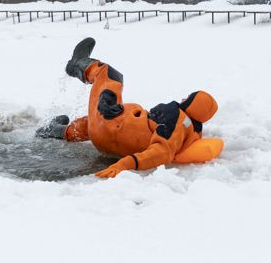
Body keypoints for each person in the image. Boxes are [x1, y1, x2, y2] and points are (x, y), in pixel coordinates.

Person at [37, 38, 224, 178]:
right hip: (111, 139)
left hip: (112, 125)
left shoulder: (176, 117)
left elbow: (162, 152)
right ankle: (54, 130)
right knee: (90, 123)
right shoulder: (190, 132)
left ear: (194, 104)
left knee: (111, 75)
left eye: (190, 97)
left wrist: (126, 164)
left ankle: (77, 64)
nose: (184, 98)